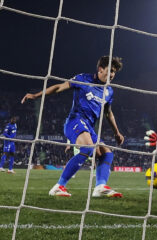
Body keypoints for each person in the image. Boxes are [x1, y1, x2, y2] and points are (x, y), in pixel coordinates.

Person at [21, 56, 124, 197]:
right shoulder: (82, 79)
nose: (112, 75)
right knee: (88, 148)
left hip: (89, 127)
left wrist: (117, 133)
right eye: (110, 70)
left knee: (106, 153)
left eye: (114, 72)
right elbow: (58, 87)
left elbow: (108, 113)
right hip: (75, 121)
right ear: (100, 69)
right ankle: (58, 186)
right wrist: (35, 95)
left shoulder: (109, 91)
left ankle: (100, 187)